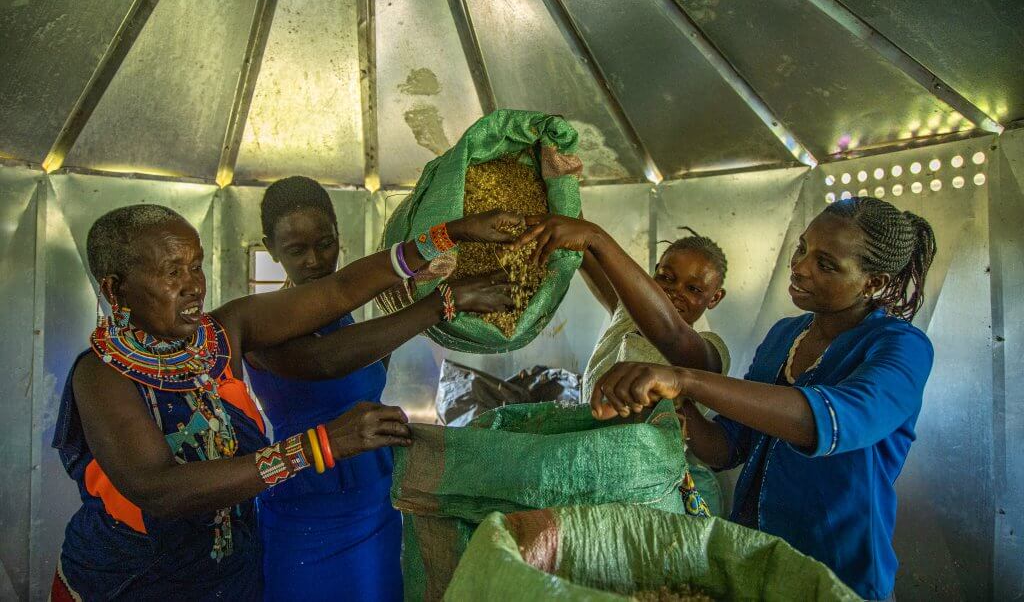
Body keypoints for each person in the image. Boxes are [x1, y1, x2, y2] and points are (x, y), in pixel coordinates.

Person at [51, 202, 518, 601]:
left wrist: (449, 234)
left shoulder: (223, 331)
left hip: (232, 575)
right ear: (116, 290)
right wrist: (320, 446)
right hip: (132, 583)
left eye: (196, 266)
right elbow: (160, 490)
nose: (194, 285)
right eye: (173, 272)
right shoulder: (101, 375)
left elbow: (337, 292)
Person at [586, 197, 937, 601]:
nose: (800, 266)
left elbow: (825, 421)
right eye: (802, 248)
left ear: (872, 283)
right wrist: (677, 408)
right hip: (753, 566)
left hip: (837, 576)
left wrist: (685, 380)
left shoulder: (901, 348)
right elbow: (728, 449)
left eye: (825, 264)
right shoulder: (785, 335)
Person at [243, 176, 513, 601]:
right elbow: (327, 361)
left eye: (325, 244)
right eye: (296, 250)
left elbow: (364, 366)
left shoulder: (347, 317)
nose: (314, 260)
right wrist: (440, 304)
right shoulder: (259, 322)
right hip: (308, 511)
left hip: (376, 499)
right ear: (270, 248)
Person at [518, 215, 730, 515]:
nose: (674, 291)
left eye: (694, 289)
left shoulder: (709, 351)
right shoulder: (626, 315)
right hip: (595, 469)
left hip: (663, 489)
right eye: (666, 278)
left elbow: (671, 333)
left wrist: (596, 235)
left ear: (715, 297)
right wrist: (563, 192)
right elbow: (584, 249)